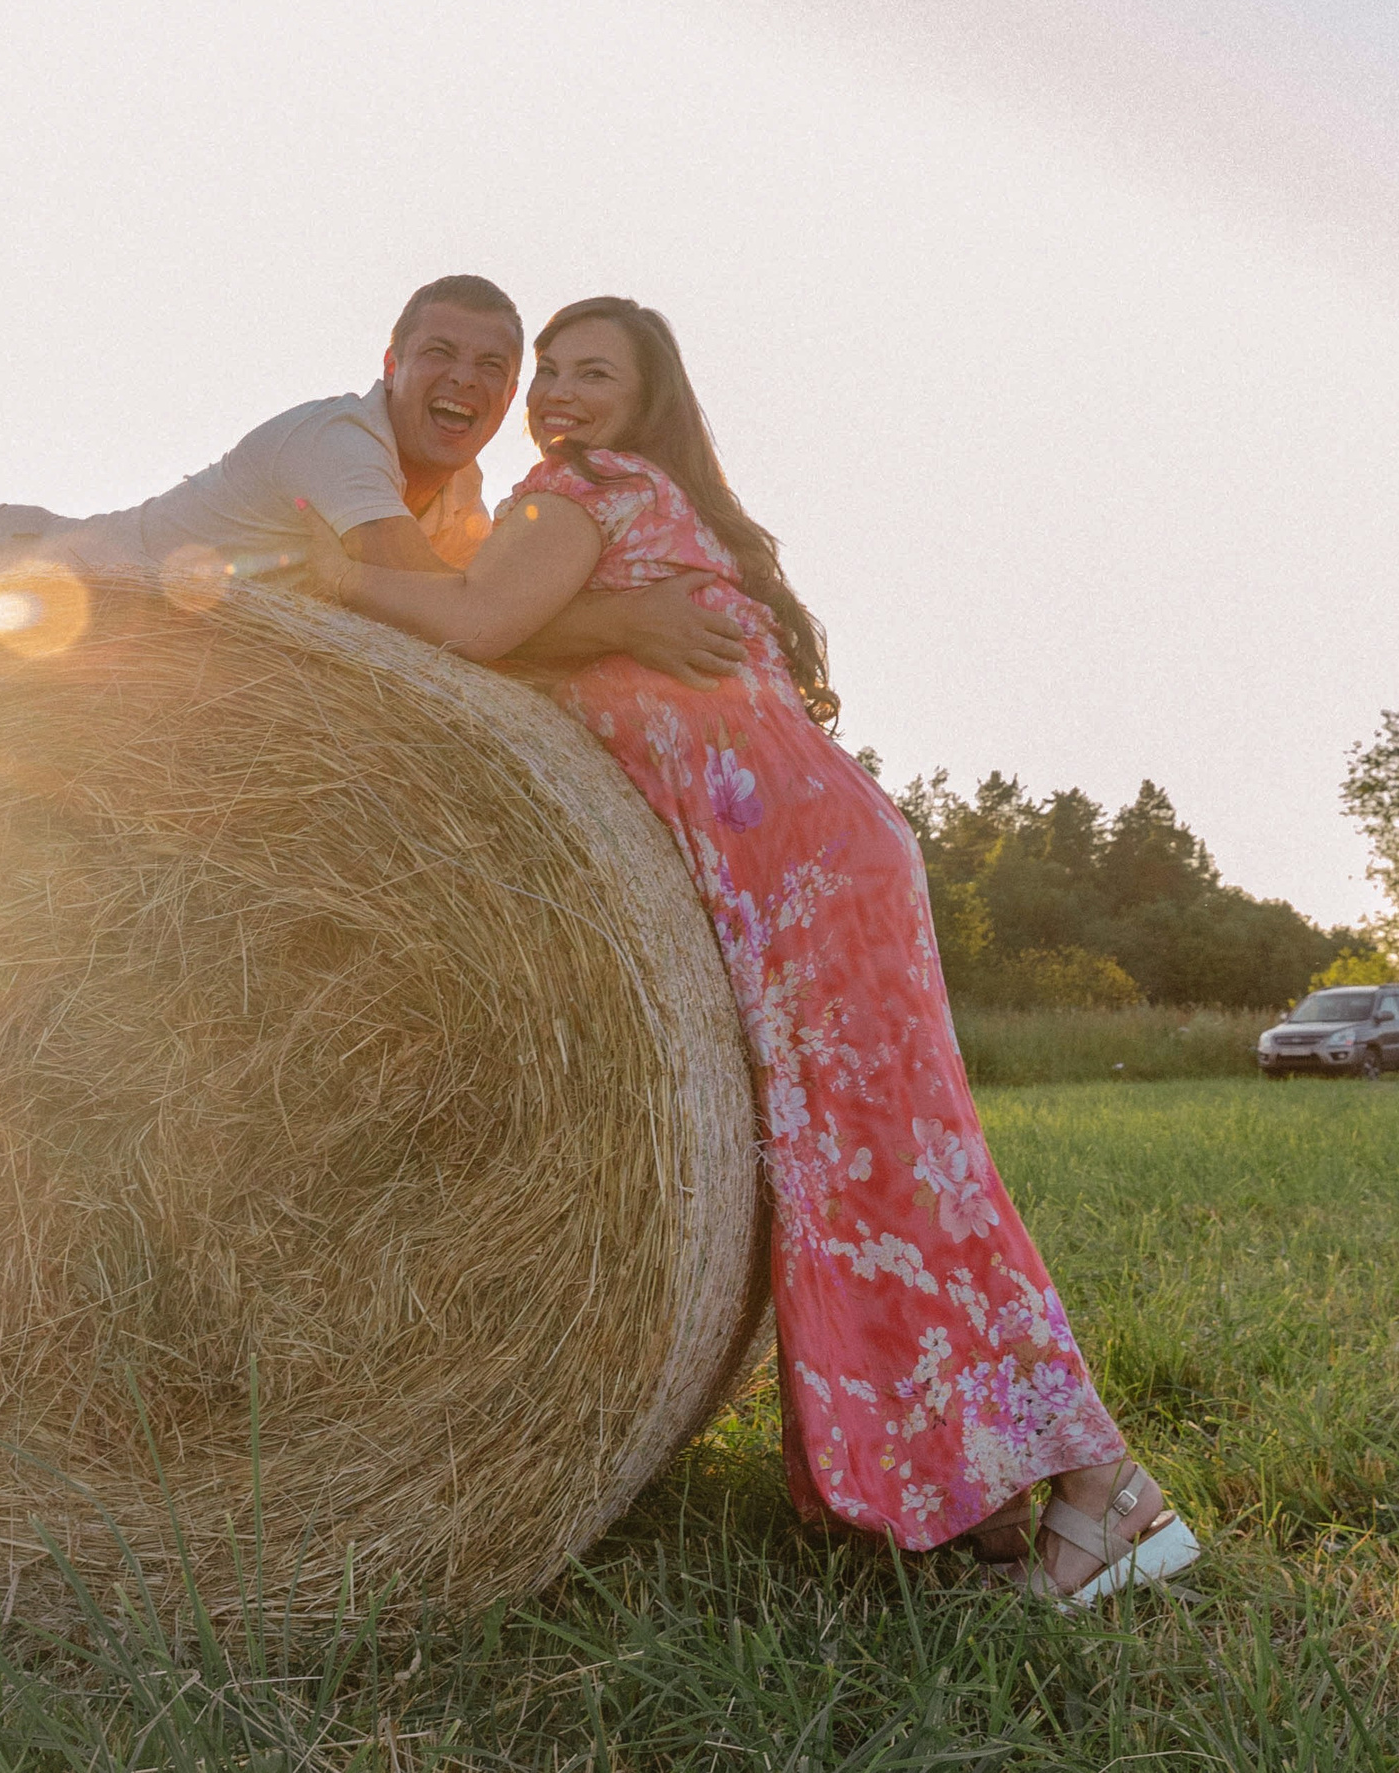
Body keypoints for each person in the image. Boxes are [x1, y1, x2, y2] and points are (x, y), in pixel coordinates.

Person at [294, 296, 1201, 1602]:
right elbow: (533, 649)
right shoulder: (653, 501)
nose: (554, 391)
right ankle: (988, 1486)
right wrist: (610, 630)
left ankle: (1105, 1487)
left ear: (645, 398)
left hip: (805, 883)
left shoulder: (582, 485)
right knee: (885, 1181)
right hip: (828, 866)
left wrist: (316, 575)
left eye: (589, 371)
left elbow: (471, 628)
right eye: (547, 371)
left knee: (892, 1184)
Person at [0, 246, 748, 686]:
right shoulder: (341, 449)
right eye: (438, 354)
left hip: (48, 609)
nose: (464, 380)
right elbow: (458, 623)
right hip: (12, 581)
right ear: (389, 363)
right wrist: (623, 624)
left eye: (492, 366)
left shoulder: (453, 490)